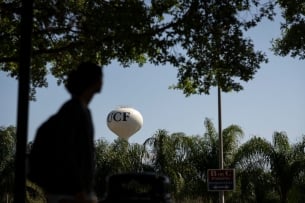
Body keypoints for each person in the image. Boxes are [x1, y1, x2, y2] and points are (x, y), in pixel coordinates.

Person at [44, 62, 103, 203]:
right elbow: (67, 150)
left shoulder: (74, 109)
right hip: (71, 194)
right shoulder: (75, 111)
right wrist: (79, 190)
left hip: (72, 191)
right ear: (94, 82)